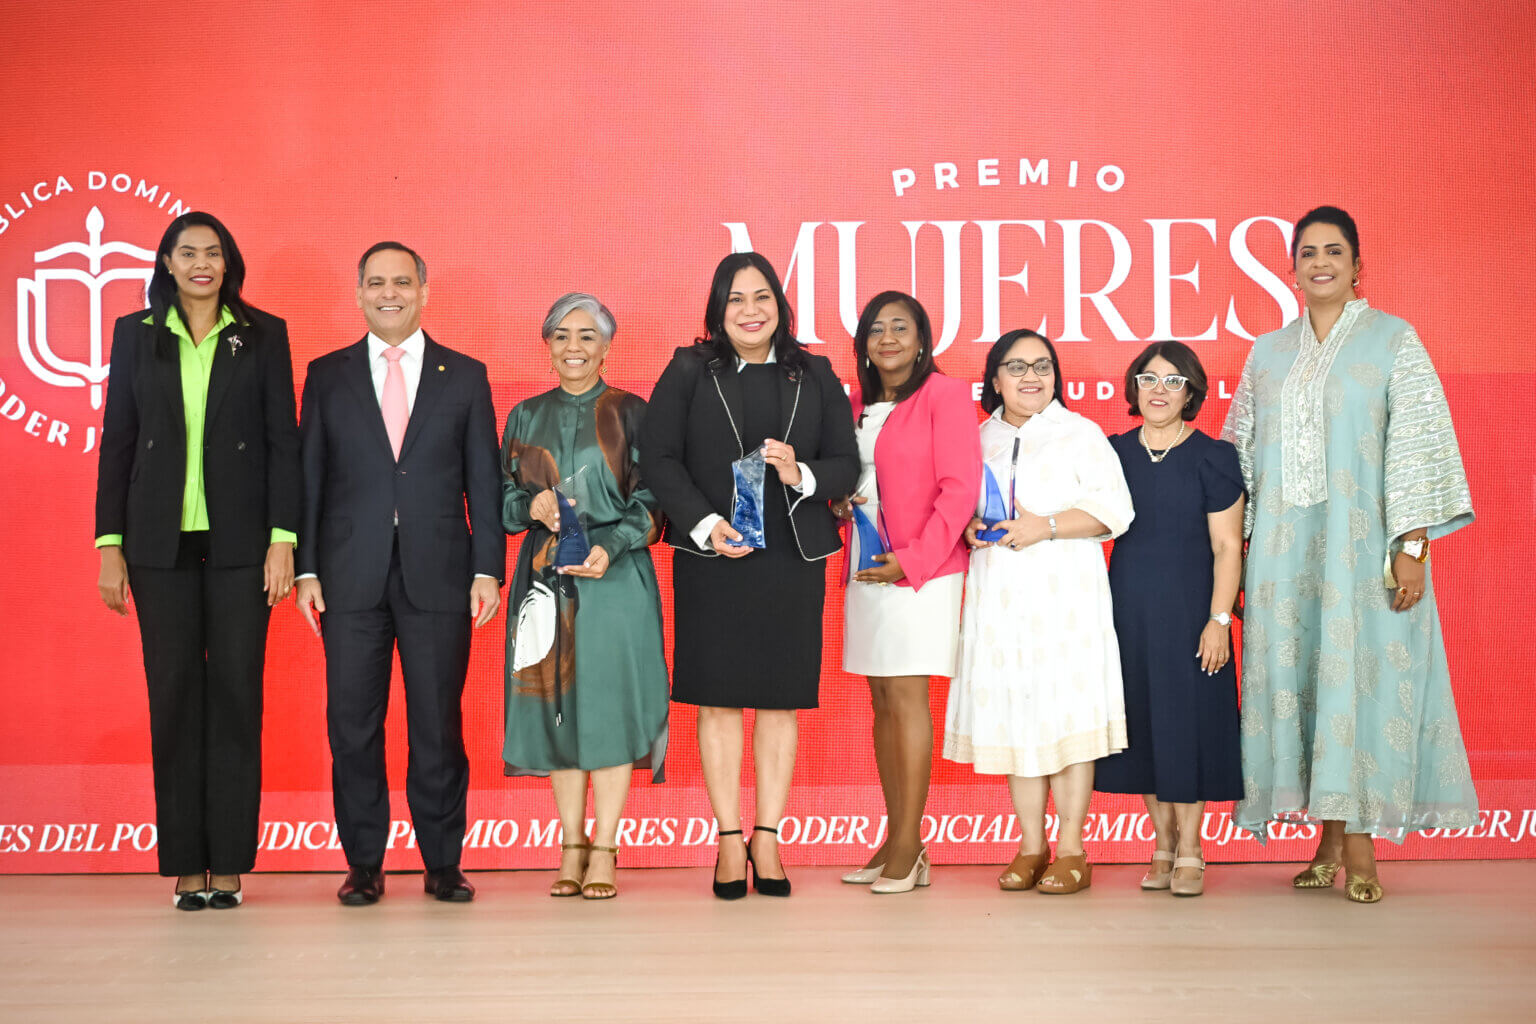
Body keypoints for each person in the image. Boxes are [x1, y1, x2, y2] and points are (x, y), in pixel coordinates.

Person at [1223, 205, 1477, 903]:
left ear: (1358, 266)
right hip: (1282, 556)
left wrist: (1414, 546)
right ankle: (1329, 840)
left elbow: (1418, 445)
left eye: (1334, 251)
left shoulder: (1394, 340)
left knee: (1358, 684)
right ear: (1291, 269)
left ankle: (1360, 842)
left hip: (1363, 551)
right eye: (1308, 252)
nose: (1321, 263)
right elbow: (1239, 461)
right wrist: (1234, 561)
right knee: (1307, 684)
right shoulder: (1267, 354)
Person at [94, 211, 300, 910]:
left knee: (238, 696)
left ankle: (231, 863)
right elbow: (118, 442)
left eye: (213, 253)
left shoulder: (262, 333)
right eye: (188, 253)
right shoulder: (136, 333)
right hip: (158, 545)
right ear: (167, 263)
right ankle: (186, 862)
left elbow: (283, 442)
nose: (202, 264)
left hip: (243, 544)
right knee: (175, 696)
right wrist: (110, 546)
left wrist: (283, 537)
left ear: (229, 262)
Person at [640, 252, 858, 899]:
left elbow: (845, 465)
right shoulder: (689, 369)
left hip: (790, 558)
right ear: (718, 310)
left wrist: (801, 473)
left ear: (780, 305)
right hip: (714, 556)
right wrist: (705, 524)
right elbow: (658, 456)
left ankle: (768, 837)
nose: (750, 310)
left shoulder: (813, 373)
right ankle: (729, 839)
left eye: (761, 296)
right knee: (718, 698)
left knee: (779, 699)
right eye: (735, 299)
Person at [294, 242, 505, 905]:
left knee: (437, 725)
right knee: (352, 727)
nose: (390, 293)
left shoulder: (464, 375)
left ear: (424, 291)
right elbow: (309, 480)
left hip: (440, 574)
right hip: (347, 575)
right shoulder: (326, 375)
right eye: (377, 283)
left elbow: (484, 482)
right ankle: (363, 864)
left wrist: (488, 569)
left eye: (403, 282)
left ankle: (443, 863)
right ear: (358, 293)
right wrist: (305, 569)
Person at [944, 329, 1133, 895]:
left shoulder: (1080, 433)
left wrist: (1044, 526)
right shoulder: (978, 438)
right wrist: (970, 527)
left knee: (1066, 716)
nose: (1032, 376)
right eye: (1017, 366)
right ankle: (1031, 846)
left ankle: (1072, 849)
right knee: (1015, 715)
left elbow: (1115, 512)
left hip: (1065, 600)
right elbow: (962, 507)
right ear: (994, 379)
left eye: (1043, 365)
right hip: (999, 600)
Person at [501, 293, 669, 900]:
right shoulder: (524, 416)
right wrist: (532, 506)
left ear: (607, 346)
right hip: (544, 579)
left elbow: (656, 499)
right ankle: (570, 844)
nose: (573, 347)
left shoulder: (632, 413)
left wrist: (614, 543)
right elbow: (502, 501)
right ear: (547, 346)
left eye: (587, 336)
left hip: (616, 579)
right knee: (557, 705)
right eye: (561, 336)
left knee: (611, 706)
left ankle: (606, 847)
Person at [832, 291, 980, 894]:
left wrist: (913, 561)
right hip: (867, 566)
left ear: (922, 340)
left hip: (923, 569)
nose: (887, 338)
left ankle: (909, 845)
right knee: (882, 703)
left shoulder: (945, 395)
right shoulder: (855, 403)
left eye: (900, 327)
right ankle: (896, 837)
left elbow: (960, 488)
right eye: (876, 329)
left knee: (909, 699)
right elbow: (854, 477)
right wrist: (840, 506)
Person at [1094, 342, 1245, 897]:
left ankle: (1191, 849)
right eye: (1149, 378)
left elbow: (1227, 547)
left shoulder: (1214, 457)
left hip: (1192, 615)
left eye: (1173, 381)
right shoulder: (1111, 453)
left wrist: (1219, 619)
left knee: (1188, 727)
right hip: (1126, 613)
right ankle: (1161, 845)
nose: (1159, 390)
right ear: (1133, 388)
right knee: (1144, 729)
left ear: (1191, 393)